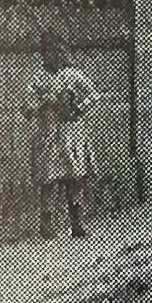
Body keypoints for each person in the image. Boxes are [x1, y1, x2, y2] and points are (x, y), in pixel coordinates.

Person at [23, 36, 101, 238]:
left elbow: (94, 95)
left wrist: (77, 107)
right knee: (48, 179)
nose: (55, 57)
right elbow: (26, 107)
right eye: (50, 52)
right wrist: (40, 104)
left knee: (74, 179)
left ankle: (76, 223)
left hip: (71, 133)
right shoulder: (39, 78)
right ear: (44, 55)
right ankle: (46, 224)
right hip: (48, 134)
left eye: (59, 52)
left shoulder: (73, 75)